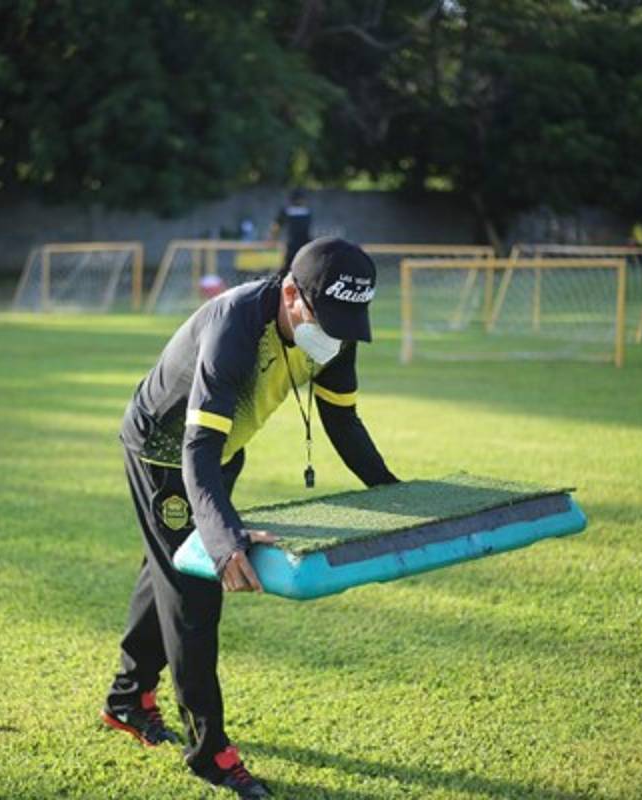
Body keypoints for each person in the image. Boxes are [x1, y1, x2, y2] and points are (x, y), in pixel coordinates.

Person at [102, 237, 398, 798]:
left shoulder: (334, 331)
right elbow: (195, 452)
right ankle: (209, 753)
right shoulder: (235, 325)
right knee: (193, 593)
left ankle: (127, 700)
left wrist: (392, 490)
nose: (334, 335)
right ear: (290, 292)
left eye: (346, 322)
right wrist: (222, 541)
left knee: (166, 572)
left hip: (221, 453)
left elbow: (344, 424)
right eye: (325, 318)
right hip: (165, 451)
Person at [270, 189, 313, 272]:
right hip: (305, 245)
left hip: (291, 246)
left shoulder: (286, 211)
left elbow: (276, 227)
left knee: (287, 269)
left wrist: (272, 239)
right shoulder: (307, 212)